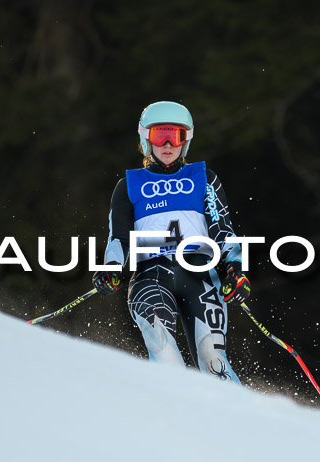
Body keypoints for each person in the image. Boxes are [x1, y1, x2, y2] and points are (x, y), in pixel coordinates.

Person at [92, 101, 250, 383]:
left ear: (186, 140)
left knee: (214, 361)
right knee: (165, 356)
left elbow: (223, 230)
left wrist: (235, 269)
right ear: (145, 139)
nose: (167, 144)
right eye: (159, 135)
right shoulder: (128, 185)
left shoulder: (205, 179)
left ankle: (238, 422)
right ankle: (179, 420)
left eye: (175, 136)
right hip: (150, 277)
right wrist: (110, 268)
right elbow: (118, 237)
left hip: (200, 275)